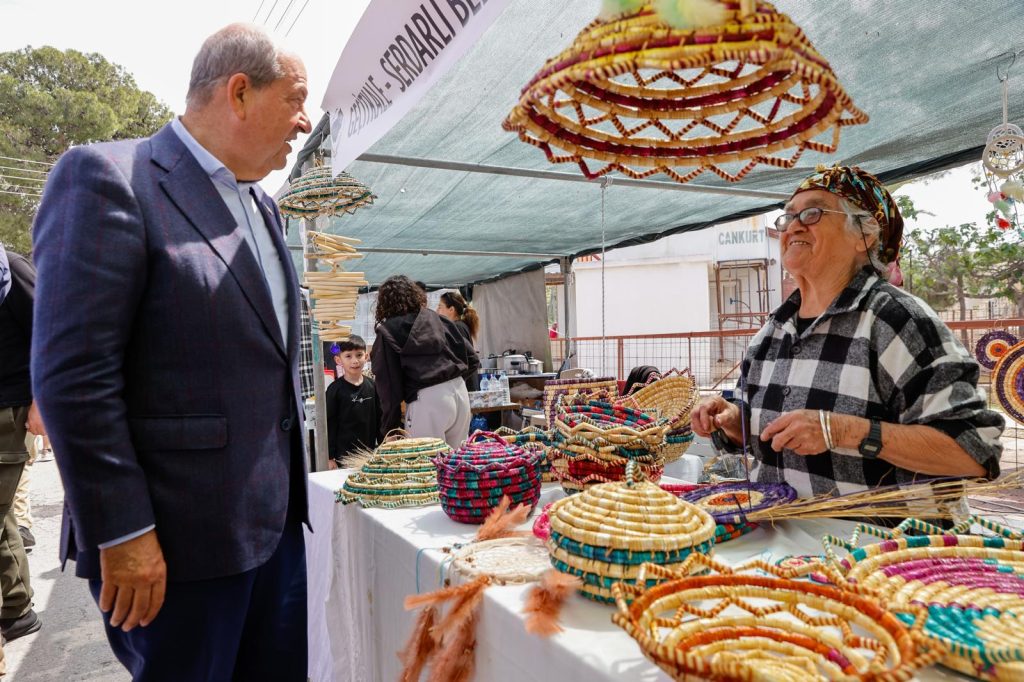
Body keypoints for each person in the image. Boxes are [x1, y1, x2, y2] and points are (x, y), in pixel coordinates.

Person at [32, 24, 312, 681]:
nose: (304, 122)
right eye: (296, 100)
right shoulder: (109, 178)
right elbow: (74, 376)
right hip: (176, 547)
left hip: (273, 534)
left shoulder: (264, 207)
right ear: (239, 93)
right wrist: (122, 531)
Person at [691, 165, 1004, 498]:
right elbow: (763, 439)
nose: (793, 225)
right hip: (779, 528)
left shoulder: (895, 319)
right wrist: (732, 420)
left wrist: (843, 431)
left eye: (812, 213)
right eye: (788, 216)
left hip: (876, 533)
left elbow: (974, 451)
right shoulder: (772, 333)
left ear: (864, 236)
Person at [371, 275, 473, 449]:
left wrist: (391, 427)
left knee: (426, 463)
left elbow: (388, 384)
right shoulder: (436, 318)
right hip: (459, 393)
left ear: (384, 303)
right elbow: (472, 358)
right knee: (457, 462)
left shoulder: (388, 331)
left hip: (427, 399)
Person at [0, 245, 41, 642]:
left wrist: (40, 401)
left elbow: (48, 334)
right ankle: (16, 608)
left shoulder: (11, 268)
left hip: (9, 412)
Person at [326, 335, 381, 467]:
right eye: (348, 356)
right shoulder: (334, 390)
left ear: (366, 357)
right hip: (343, 458)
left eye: (359, 355)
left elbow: (380, 418)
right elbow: (330, 424)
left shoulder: (373, 386)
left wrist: (383, 446)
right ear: (338, 360)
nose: (355, 361)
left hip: (369, 454)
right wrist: (330, 456)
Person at [436, 290, 482, 390]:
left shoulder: (457, 327)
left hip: (465, 385)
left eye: (440, 307)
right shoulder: (460, 325)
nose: (437, 311)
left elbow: (466, 359)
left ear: (451, 309)